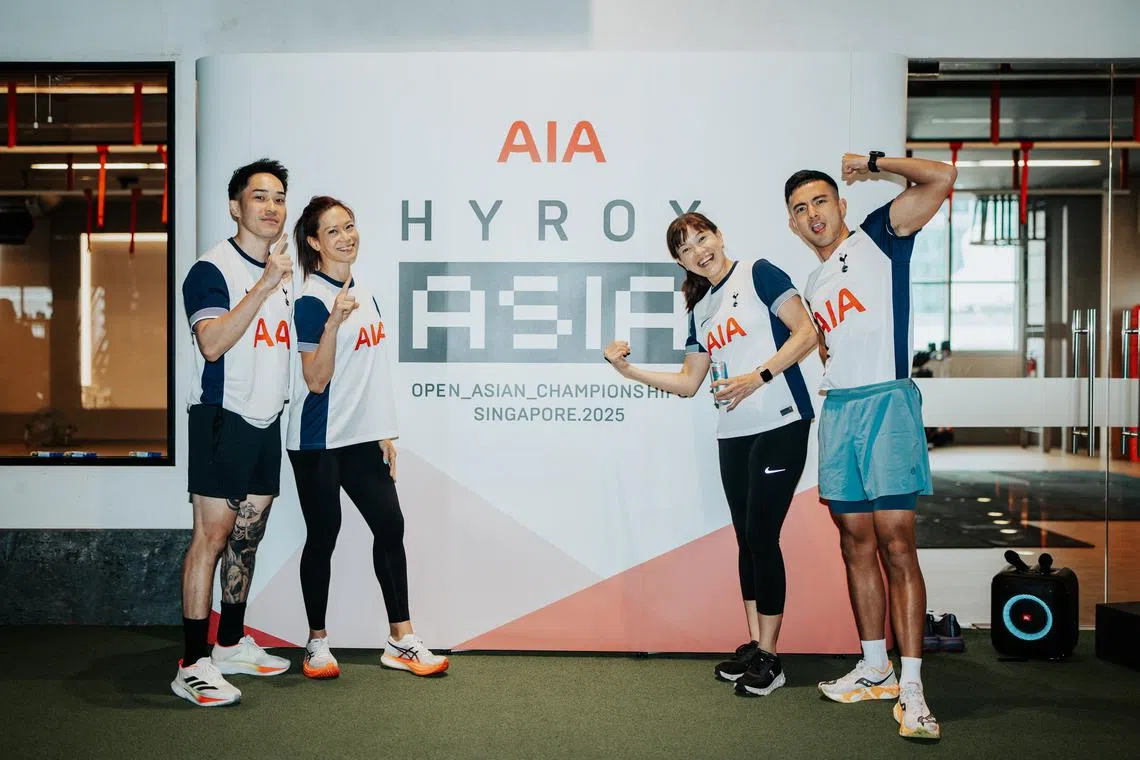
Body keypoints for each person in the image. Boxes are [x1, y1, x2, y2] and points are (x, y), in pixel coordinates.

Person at [604, 212, 818, 696]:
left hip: (781, 420)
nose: (699, 250)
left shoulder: (759, 272)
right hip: (734, 432)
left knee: (763, 537)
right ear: (681, 261)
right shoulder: (701, 308)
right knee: (747, 539)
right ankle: (755, 643)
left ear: (719, 236)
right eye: (686, 248)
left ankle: (771, 656)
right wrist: (628, 370)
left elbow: (807, 333)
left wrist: (756, 377)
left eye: (702, 238)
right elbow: (688, 382)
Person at [784, 152, 956, 740]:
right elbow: (829, 354)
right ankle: (875, 666)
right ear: (792, 222)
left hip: (887, 403)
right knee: (855, 541)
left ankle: (912, 688)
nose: (813, 214)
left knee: (896, 543)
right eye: (800, 208)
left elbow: (941, 177)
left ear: (841, 205)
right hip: (840, 411)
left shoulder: (882, 236)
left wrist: (877, 163)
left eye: (820, 201)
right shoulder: (812, 283)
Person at [286, 196, 448, 679]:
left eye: (350, 226)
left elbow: (371, 373)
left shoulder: (367, 291)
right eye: (333, 231)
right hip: (317, 439)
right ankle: (316, 643)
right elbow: (316, 379)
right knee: (324, 535)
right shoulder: (312, 300)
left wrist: (381, 433)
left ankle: (401, 639)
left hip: (361, 438)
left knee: (390, 526)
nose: (345, 237)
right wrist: (334, 320)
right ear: (314, 243)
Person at [172, 158, 295, 707]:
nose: (271, 207)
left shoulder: (283, 273)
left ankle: (229, 643)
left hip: (266, 422)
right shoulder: (211, 268)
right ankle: (192, 663)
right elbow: (213, 342)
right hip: (223, 419)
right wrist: (265, 284)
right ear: (234, 206)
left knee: (248, 536)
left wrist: (274, 280)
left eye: (278, 198)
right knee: (212, 537)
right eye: (259, 197)